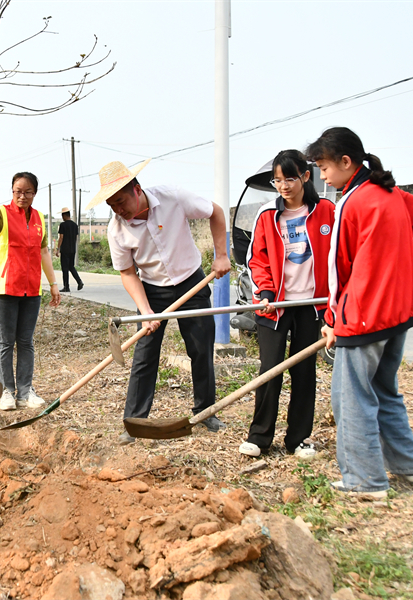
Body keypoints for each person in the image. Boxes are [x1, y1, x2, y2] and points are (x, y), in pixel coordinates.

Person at [306, 127, 413, 499]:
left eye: (323, 167)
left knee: (351, 398)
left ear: (345, 162)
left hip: (367, 313)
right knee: (384, 389)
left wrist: (334, 320)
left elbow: (340, 269)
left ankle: (365, 480)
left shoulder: (352, 203)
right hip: (402, 309)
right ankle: (409, 467)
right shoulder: (390, 194)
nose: (322, 176)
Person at [85, 160, 231, 444]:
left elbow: (216, 212)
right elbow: (128, 273)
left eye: (121, 201)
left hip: (192, 280)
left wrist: (222, 254)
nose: (118, 210)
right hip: (152, 289)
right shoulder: (117, 230)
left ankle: (205, 412)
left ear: (136, 190)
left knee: (201, 349)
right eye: (111, 205)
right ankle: (134, 422)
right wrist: (147, 311)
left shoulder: (172, 197)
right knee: (145, 354)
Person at [239, 150, 335, 460]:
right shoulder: (267, 213)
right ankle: (260, 436)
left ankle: (299, 438)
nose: (283, 186)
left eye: (290, 178)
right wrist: (265, 292)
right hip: (276, 305)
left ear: (307, 177)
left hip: (312, 305)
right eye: (277, 180)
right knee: (270, 369)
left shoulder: (327, 212)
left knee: (304, 370)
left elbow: (338, 257)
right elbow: (257, 257)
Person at [0, 173, 61, 411]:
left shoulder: (40, 218)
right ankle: (6, 392)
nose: (22, 196)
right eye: (18, 191)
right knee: (6, 342)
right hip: (5, 288)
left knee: (26, 342)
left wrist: (52, 283)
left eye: (28, 191)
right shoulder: (0, 214)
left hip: (31, 289)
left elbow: (44, 253)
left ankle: (25, 391)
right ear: (12, 191)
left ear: (34, 193)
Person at [55, 207, 84, 292]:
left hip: (65, 249)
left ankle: (66, 287)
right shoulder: (75, 225)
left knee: (65, 269)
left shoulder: (63, 225)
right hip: (72, 249)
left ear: (64, 215)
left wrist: (58, 249)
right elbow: (75, 237)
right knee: (71, 266)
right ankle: (79, 281)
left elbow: (61, 237)